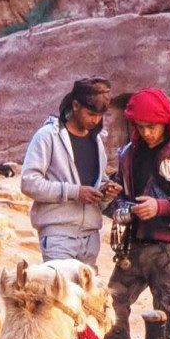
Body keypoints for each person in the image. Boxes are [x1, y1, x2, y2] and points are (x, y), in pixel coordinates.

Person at [104, 88, 170, 339]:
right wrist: (115, 198)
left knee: (168, 314)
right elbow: (126, 196)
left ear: (165, 121)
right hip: (133, 245)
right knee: (111, 304)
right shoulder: (129, 153)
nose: (146, 133)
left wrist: (161, 207)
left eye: (152, 126)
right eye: (140, 126)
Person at [21, 77, 116, 267]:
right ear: (75, 105)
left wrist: (106, 192)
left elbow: (99, 182)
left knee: (86, 296)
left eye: (99, 116)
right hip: (58, 234)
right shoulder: (48, 136)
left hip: (90, 237)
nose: (95, 120)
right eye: (90, 114)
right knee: (61, 294)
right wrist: (74, 192)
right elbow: (29, 182)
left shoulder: (96, 141)